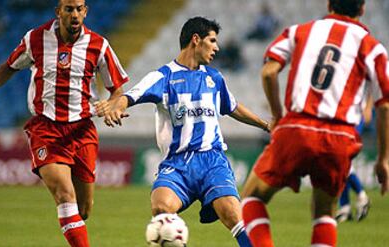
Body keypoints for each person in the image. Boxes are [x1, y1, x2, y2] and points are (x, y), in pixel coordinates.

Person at [106, 16, 270, 247]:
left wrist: (265, 124)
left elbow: (232, 107)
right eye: (212, 41)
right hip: (177, 164)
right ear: (196, 40)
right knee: (161, 209)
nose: (217, 47)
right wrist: (118, 107)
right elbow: (130, 95)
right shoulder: (163, 77)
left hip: (212, 161)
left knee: (234, 215)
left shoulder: (214, 78)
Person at [0, 0, 128, 246]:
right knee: (64, 194)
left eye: (79, 8)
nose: (75, 14)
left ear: (86, 11)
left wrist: (112, 106)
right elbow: (10, 65)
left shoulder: (99, 45)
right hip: (46, 129)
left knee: (84, 209)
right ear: (58, 11)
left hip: (82, 130)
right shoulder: (35, 38)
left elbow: (117, 91)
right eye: (69, 9)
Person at [240, 1, 389, 246]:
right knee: (324, 214)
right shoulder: (373, 48)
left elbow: (268, 72)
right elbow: (384, 104)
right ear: (362, 9)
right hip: (340, 136)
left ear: (329, 4)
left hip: (297, 127)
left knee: (251, 198)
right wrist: (383, 159)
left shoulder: (299, 31)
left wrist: (277, 114)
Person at [336, 93, 373, 223]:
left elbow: (375, 82)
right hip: (341, 115)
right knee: (340, 161)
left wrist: (368, 107)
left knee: (342, 159)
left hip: (355, 116)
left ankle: (361, 196)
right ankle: (345, 207)